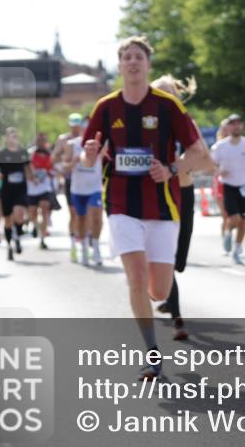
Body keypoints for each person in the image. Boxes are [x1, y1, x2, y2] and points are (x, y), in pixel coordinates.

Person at [82, 37, 209, 380]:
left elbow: (200, 153)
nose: (133, 62)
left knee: (159, 290)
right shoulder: (106, 107)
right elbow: (87, 152)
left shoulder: (167, 105)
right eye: (126, 57)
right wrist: (91, 154)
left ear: (148, 65)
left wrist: (170, 168)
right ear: (119, 65)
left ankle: (162, 306)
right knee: (136, 278)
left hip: (163, 207)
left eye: (139, 57)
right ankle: (152, 353)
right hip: (121, 204)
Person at [152, 74, 215, 342]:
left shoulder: (186, 125)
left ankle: (164, 290)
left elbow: (206, 162)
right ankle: (178, 318)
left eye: (169, 93)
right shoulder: (145, 123)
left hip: (183, 192)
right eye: (159, 93)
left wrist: (176, 166)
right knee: (165, 255)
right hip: (154, 195)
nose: (165, 98)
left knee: (178, 263)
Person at [211, 113, 245, 264]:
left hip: (244, 186)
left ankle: (237, 249)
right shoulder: (221, 146)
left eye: (239, 123)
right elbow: (210, 165)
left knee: (243, 221)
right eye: (233, 123)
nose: (236, 126)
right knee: (233, 218)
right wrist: (218, 171)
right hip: (228, 185)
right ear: (228, 126)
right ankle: (227, 233)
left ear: (242, 126)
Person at [62, 117, 104, 266]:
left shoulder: (102, 143)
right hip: (78, 190)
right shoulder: (72, 144)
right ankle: (84, 247)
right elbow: (65, 166)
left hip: (94, 188)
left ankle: (96, 248)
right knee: (81, 220)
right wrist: (72, 162)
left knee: (96, 216)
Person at [53, 113, 86, 261]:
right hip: (70, 179)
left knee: (85, 215)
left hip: (85, 179)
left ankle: (85, 242)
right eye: (73, 125)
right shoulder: (63, 139)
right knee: (73, 213)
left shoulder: (86, 137)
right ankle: (73, 244)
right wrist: (62, 166)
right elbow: (54, 157)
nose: (75, 128)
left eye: (77, 125)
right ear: (69, 125)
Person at [0, 128, 32, 261]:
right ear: (7, 138)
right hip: (6, 190)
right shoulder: (2, 153)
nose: (14, 138)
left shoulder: (23, 153)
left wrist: (33, 179)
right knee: (7, 220)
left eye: (16, 136)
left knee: (19, 214)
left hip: (20, 189)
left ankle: (17, 236)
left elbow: (28, 169)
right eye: (11, 136)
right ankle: (10, 245)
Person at [26, 133, 55, 249]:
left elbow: (51, 168)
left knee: (44, 209)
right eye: (39, 140)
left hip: (45, 187)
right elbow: (27, 167)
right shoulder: (30, 153)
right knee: (32, 212)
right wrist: (32, 177)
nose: (41, 142)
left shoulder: (49, 154)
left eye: (43, 140)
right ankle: (35, 225)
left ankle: (42, 239)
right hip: (32, 188)